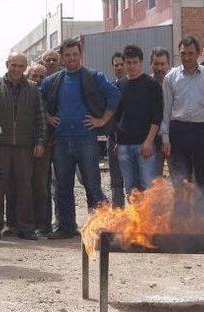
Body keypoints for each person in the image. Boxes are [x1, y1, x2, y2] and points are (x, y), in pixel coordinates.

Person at [41, 38, 121, 239]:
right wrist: (47, 117)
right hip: (61, 141)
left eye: (74, 54)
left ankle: (98, 228)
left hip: (86, 139)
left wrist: (102, 120)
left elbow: (115, 95)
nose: (71, 58)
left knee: (93, 185)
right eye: (67, 55)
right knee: (63, 186)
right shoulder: (52, 81)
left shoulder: (93, 77)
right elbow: (37, 101)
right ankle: (67, 228)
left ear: (80, 55)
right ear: (62, 58)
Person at [0, 52, 46, 241]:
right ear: (7, 64)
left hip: (24, 146)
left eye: (21, 66)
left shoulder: (33, 89)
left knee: (24, 187)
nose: (17, 69)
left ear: (25, 67)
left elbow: (40, 117)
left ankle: (24, 227)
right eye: (13, 65)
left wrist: (40, 141)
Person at [161, 35, 204, 203]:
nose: (187, 57)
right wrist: (165, 138)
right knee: (181, 181)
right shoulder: (171, 78)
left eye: (190, 53)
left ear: (198, 53)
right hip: (179, 132)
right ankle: (183, 223)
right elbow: (166, 111)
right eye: (183, 53)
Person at [114, 44, 163, 196]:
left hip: (144, 145)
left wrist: (149, 141)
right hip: (123, 145)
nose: (131, 66)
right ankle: (137, 220)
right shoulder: (119, 85)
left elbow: (157, 116)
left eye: (135, 62)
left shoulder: (151, 84)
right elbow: (116, 116)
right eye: (128, 62)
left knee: (148, 187)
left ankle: (151, 220)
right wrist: (116, 141)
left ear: (141, 62)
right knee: (130, 188)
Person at [27, 61, 53, 234]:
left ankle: (42, 224)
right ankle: (21, 224)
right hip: (22, 146)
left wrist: (43, 142)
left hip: (44, 145)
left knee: (41, 187)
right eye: (33, 76)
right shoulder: (24, 92)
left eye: (41, 77)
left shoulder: (50, 94)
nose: (37, 80)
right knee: (21, 186)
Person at [149, 47, 171, 178]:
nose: (159, 67)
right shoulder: (146, 84)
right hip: (153, 138)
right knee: (154, 180)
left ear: (168, 64)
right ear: (151, 64)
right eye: (156, 64)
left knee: (179, 178)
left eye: (163, 64)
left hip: (173, 137)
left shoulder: (175, 82)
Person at [107, 51, 125, 207]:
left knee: (135, 183)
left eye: (122, 64)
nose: (119, 67)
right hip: (114, 140)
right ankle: (118, 216)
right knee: (116, 182)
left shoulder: (139, 85)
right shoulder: (111, 87)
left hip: (134, 141)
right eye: (116, 65)